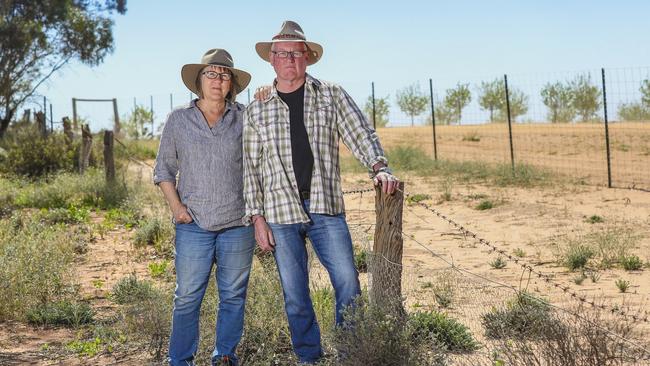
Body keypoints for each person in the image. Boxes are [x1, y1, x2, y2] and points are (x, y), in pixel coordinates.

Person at [243, 21, 399, 364]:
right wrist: (256, 218)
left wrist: (379, 167)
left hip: (325, 206)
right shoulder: (258, 108)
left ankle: (350, 354)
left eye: (296, 53)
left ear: (308, 58)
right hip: (280, 212)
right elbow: (251, 168)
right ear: (271, 59)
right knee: (295, 294)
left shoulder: (331, 94)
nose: (289, 60)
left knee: (348, 282)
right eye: (282, 53)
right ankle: (309, 357)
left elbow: (360, 132)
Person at [154, 48, 254, 366]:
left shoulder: (246, 118)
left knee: (233, 296)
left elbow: (261, 163)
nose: (217, 79)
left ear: (231, 84)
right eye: (211, 73)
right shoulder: (179, 120)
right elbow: (163, 170)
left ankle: (224, 355)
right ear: (199, 81)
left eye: (224, 75)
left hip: (238, 223)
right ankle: (180, 360)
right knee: (187, 297)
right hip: (193, 223)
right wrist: (177, 209)